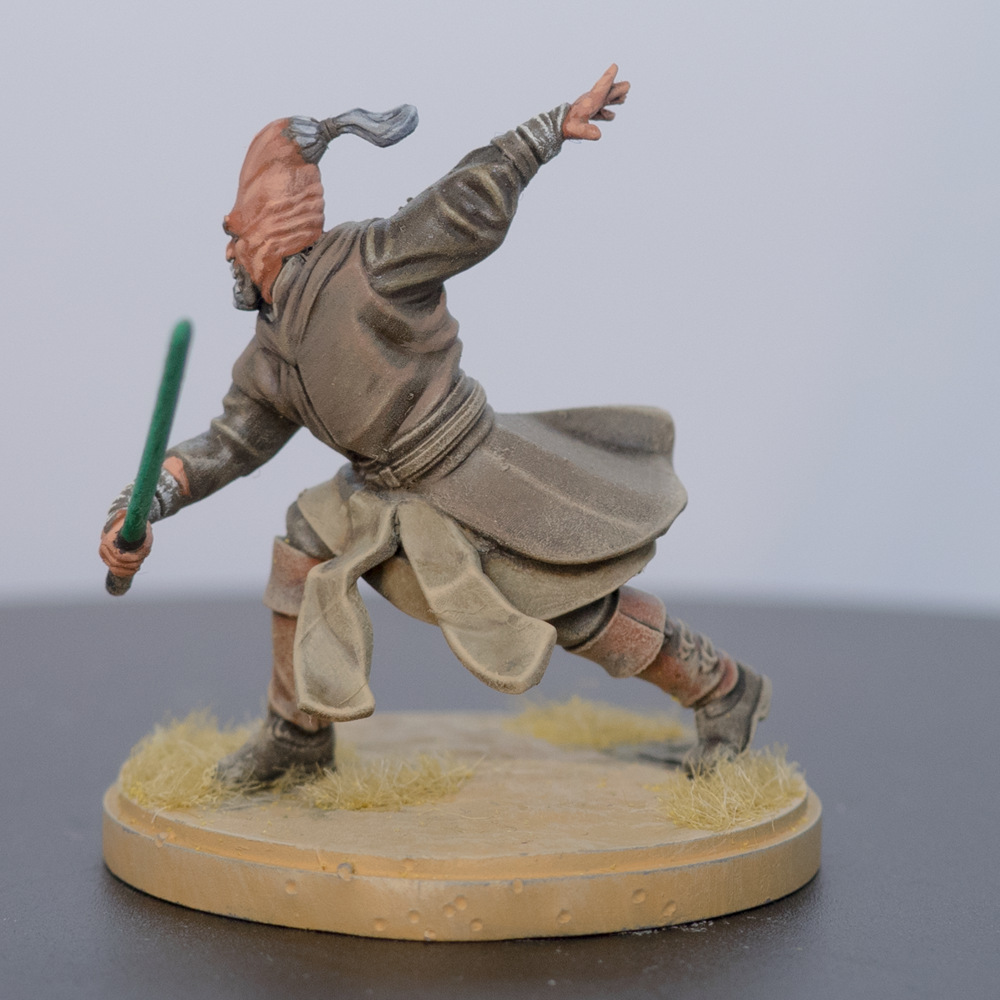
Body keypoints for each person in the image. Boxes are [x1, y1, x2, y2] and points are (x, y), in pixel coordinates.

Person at [100, 66, 770, 783]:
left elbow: (459, 206)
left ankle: (723, 690)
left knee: (573, 607)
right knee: (303, 545)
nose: (230, 252)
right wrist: (143, 503)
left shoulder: (369, 265)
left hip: (470, 474)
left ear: (269, 229)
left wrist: (546, 131)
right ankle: (296, 735)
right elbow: (230, 442)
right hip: (380, 494)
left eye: (234, 234)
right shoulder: (270, 352)